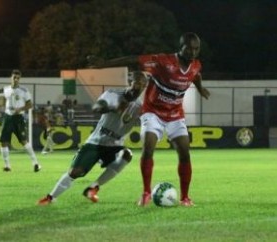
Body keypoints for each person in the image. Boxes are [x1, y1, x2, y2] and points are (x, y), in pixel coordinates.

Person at [89, 32, 210, 206]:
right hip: (153, 112)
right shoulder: (163, 61)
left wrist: (200, 88)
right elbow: (134, 59)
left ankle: (185, 198)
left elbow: (195, 75)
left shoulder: (196, 65)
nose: (192, 52)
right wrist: (105, 64)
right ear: (180, 47)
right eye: (189, 48)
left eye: (196, 49)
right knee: (148, 147)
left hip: (175, 114)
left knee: (185, 152)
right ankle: (146, 193)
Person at [38, 71, 147, 205]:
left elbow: (150, 119)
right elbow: (96, 107)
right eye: (137, 83)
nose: (138, 87)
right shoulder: (112, 94)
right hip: (97, 140)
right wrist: (113, 107)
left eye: (142, 85)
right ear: (130, 82)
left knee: (126, 154)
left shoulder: (140, 107)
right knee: (75, 172)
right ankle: (50, 197)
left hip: (115, 144)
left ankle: (93, 188)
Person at [0, 69, 41, 172]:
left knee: (23, 141)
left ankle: (36, 163)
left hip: (19, 118)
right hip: (8, 117)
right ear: (11, 78)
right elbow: (4, 101)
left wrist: (20, 109)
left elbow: (30, 104)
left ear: (20, 79)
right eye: (14, 77)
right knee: (3, 142)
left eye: (18, 78)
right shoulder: (6, 89)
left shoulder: (24, 91)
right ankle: (7, 165)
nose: (16, 79)